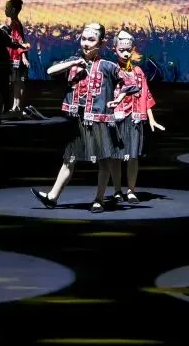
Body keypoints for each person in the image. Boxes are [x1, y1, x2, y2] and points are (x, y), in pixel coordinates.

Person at [30, 23, 138, 212]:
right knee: (69, 159)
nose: (86, 43)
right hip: (77, 121)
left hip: (99, 121)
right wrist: (73, 64)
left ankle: (99, 199)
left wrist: (117, 99)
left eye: (91, 40)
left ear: (101, 43)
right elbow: (50, 71)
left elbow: (131, 84)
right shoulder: (72, 62)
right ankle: (52, 197)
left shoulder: (107, 66)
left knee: (103, 161)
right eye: (83, 39)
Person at [111, 30, 163, 202]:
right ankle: (117, 190)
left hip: (134, 118)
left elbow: (145, 95)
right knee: (116, 156)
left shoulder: (138, 72)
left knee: (133, 156)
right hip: (116, 117)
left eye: (128, 50)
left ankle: (131, 190)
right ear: (114, 49)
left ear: (133, 49)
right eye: (121, 50)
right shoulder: (110, 70)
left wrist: (151, 118)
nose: (125, 54)